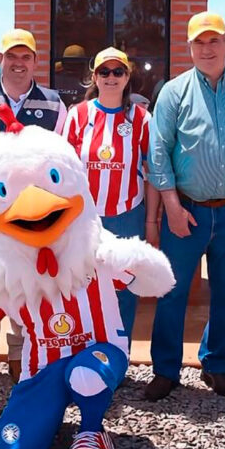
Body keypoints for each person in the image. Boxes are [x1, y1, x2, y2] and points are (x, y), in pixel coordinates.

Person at [146, 11, 225, 400]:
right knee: (172, 292)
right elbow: (158, 152)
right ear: (189, 47)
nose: (207, 48)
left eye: (213, 40)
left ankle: (216, 364)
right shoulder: (173, 92)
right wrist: (170, 204)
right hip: (186, 211)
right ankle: (166, 371)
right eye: (199, 42)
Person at [0, 28, 67, 389]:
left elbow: (62, 163)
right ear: (0, 59)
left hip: (33, 218)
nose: (19, 63)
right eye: (12, 56)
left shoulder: (53, 103)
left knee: (26, 283)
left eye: (26, 57)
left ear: (36, 62)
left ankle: (21, 353)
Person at [62, 47, 160, 348]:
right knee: (81, 286)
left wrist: (151, 221)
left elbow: (154, 173)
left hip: (126, 215)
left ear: (128, 76)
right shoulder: (78, 115)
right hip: (85, 219)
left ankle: (117, 355)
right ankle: (80, 352)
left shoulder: (141, 118)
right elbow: (64, 171)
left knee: (123, 289)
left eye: (118, 71)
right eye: (104, 71)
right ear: (94, 76)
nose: (111, 77)